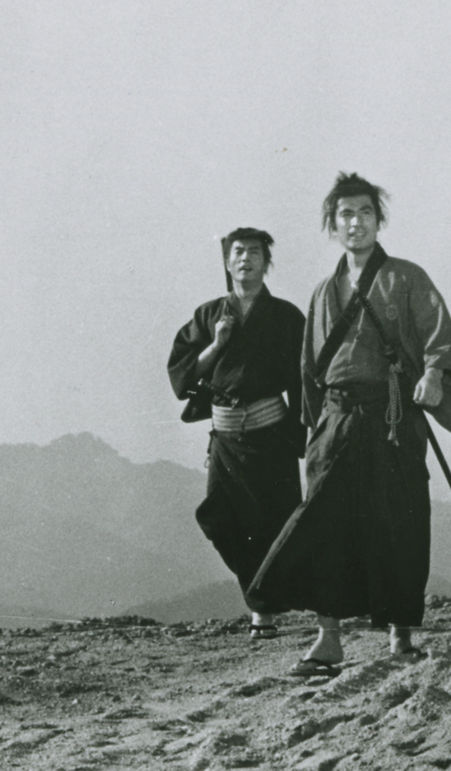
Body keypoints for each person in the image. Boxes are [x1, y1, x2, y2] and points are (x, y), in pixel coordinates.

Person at [248, 173, 451, 676]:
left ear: (378, 219)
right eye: (346, 214)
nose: (356, 222)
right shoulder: (323, 292)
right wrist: (316, 428)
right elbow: (308, 370)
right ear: (334, 223)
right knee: (327, 523)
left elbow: (439, 333)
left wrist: (434, 372)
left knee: (402, 520)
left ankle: (401, 635)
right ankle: (329, 638)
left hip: (392, 417)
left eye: (365, 212)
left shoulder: (407, 277)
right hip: (338, 418)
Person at [168, 227, 306, 640]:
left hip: (272, 434)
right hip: (226, 439)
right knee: (219, 519)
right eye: (238, 252)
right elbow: (183, 379)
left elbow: (303, 380)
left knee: (277, 523)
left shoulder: (286, 316)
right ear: (228, 263)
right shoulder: (209, 315)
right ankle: (263, 597)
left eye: (255, 252)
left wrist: (302, 434)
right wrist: (216, 344)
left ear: (267, 262)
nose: (246, 258)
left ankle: (262, 613)